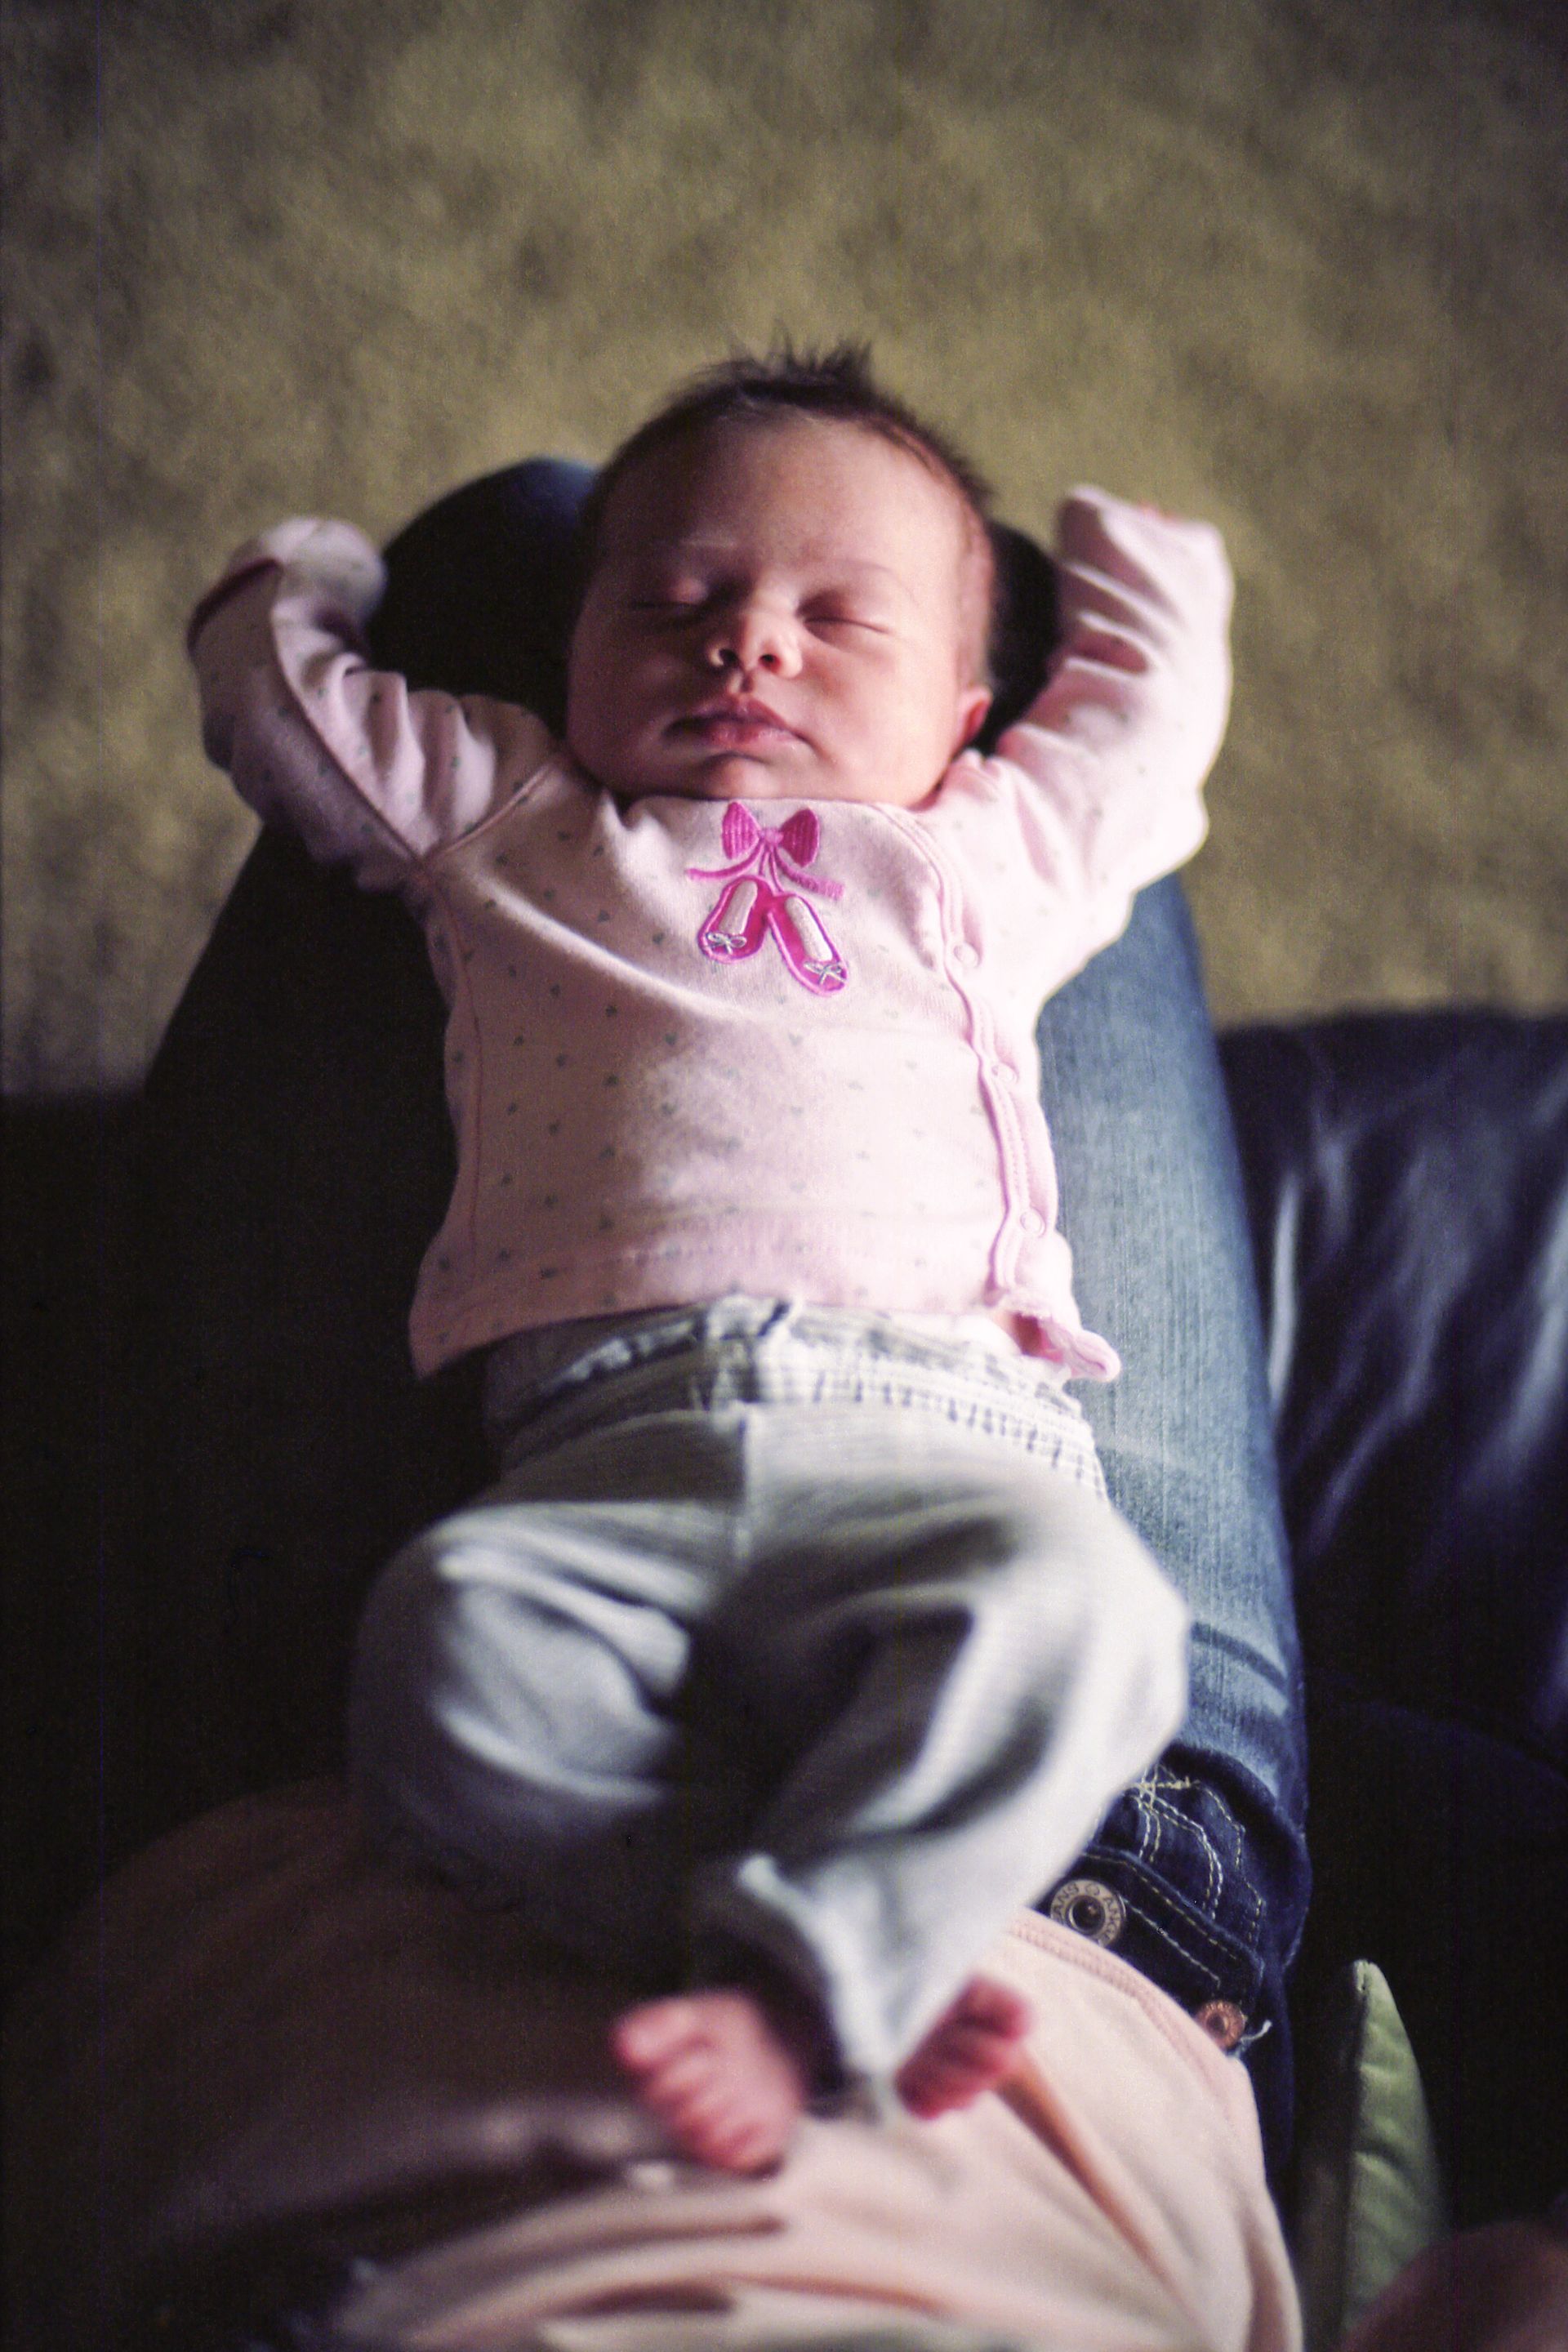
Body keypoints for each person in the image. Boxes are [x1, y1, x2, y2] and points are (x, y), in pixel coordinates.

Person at [187, 345, 1277, 2180]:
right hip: (614, 1461)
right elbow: (296, 728)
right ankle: (802, 1944)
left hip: (941, 1449)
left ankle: (804, 1968)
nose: (746, 643)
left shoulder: (982, 853)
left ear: (964, 718)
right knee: (438, 1653)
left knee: (1097, 1626)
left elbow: (1141, 756)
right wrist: (290, 586)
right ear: (569, 660)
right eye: (673, 602)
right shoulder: (517, 818)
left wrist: (1151, 577)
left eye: (836, 619)